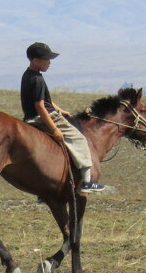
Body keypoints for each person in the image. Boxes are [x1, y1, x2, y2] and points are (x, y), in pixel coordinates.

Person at [20, 42, 108, 194]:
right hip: (44, 117)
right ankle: (87, 182)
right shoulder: (38, 80)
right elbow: (40, 106)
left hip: (30, 116)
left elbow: (44, 100)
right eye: (46, 59)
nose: (49, 63)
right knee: (80, 140)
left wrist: (61, 110)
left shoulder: (28, 75)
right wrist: (55, 129)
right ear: (35, 60)